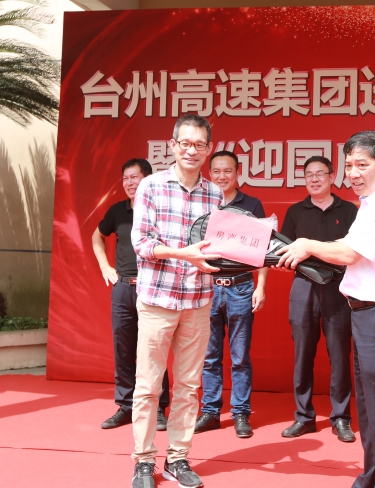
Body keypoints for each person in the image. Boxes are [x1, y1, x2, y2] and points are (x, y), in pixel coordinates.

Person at [276, 131, 375, 487]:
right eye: (349, 165)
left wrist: (307, 244)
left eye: (362, 165)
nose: (353, 173)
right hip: (370, 315)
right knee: (372, 411)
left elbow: (349, 253)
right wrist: (302, 252)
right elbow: (348, 244)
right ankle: (373, 477)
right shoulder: (373, 202)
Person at [130, 114, 224, 488]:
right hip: (157, 299)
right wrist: (183, 254)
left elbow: (218, 248)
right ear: (173, 145)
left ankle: (177, 458)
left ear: (209, 149)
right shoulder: (151, 186)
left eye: (199, 144)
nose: (191, 150)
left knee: (188, 385)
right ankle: (143, 460)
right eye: (185, 143)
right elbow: (142, 244)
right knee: (148, 385)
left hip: (198, 301)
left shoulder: (215, 194)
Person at [279, 155, 358, 442]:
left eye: (320, 174)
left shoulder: (348, 210)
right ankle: (304, 417)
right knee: (302, 355)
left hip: (339, 288)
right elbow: (282, 249)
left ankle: (341, 417)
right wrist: (283, 260)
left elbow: (354, 249)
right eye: (309, 175)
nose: (314, 179)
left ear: (332, 177)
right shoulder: (295, 212)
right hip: (304, 287)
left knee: (340, 355)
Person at [92, 158, 171, 431]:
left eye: (134, 177)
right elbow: (97, 236)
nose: (129, 183)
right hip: (124, 288)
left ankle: (158, 407)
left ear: (147, 179)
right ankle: (126, 406)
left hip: (153, 289)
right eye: (125, 178)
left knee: (153, 349)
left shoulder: (159, 209)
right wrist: (105, 266)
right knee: (123, 349)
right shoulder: (117, 211)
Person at [194, 151, 268, 438]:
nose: (222, 176)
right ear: (209, 174)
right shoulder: (202, 203)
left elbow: (264, 249)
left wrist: (261, 286)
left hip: (241, 287)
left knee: (240, 357)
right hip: (208, 287)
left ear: (238, 173)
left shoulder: (251, 205)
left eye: (228, 171)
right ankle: (210, 412)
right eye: (216, 171)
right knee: (209, 356)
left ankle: (240, 413)